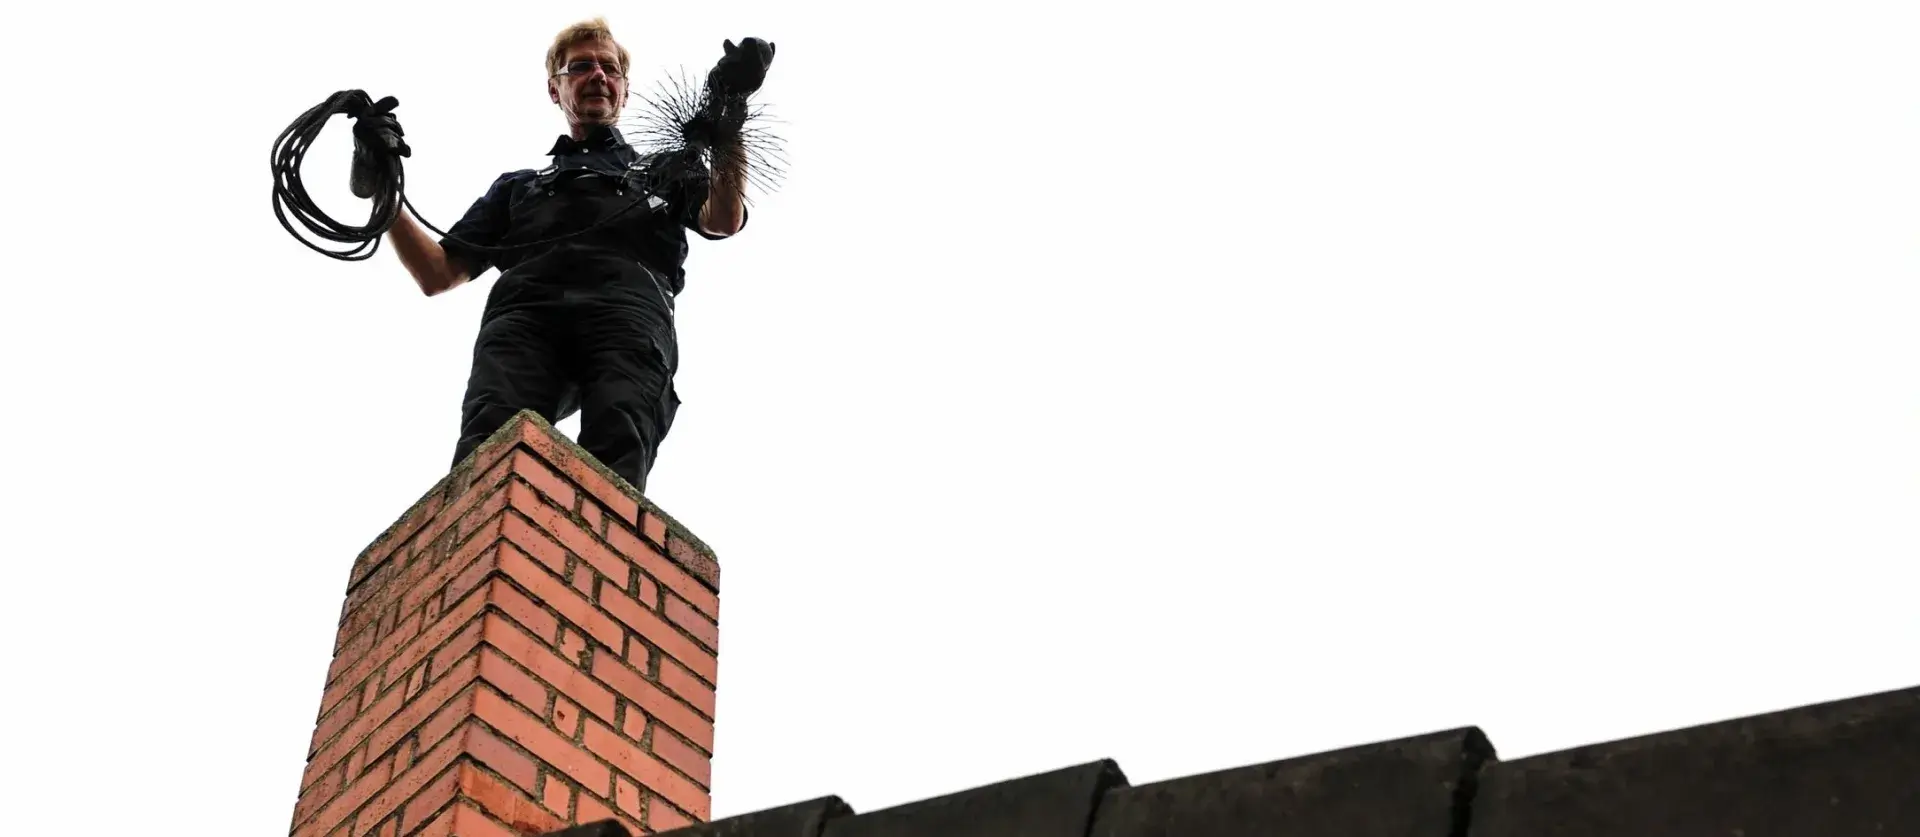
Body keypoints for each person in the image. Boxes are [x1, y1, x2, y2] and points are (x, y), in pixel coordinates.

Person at [356, 18, 774, 493]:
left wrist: (729, 113)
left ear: (623, 89)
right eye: (580, 67)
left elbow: (722, 218)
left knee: (618, 443)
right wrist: (384, 185)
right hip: (525, 315)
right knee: (489, 450)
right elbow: (437, 272)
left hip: (627, 309)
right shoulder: (519, 187)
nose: (597, 75)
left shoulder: (660, 171)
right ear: (556, 90)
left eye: (609, 68)